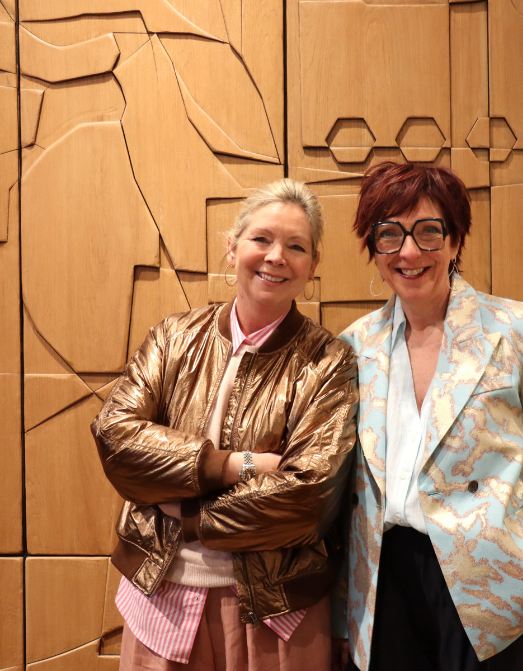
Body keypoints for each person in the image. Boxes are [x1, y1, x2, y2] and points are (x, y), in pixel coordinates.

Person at [91, 179, 359, 671]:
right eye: (261, 239)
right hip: (159, 597)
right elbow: (116, 437)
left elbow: (308, 497)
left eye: (296, 246)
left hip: (278, 611)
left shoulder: (328, 362)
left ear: (313, 265)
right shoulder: (173, 337)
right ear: (232, 248)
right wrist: (234, 465)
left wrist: (189, 517)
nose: (276, 257)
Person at [335, 162, 523, 671]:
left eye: (428, 231)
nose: (409, 252)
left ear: (455, 241)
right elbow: (346, 492)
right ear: (374, 248)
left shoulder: (518, 330)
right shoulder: (354, 346)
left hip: (491, 583)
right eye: (389, 234)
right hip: (384, 584)